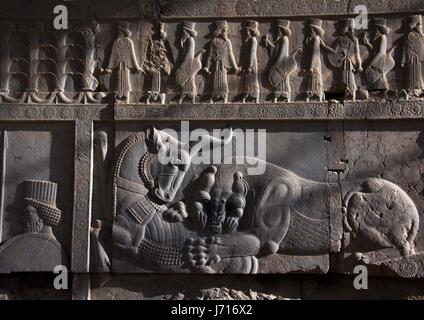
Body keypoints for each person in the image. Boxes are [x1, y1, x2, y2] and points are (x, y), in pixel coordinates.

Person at [203, 20, 241, 103]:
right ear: (219, 30)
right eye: (224, 30)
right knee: (214, 81)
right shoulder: (213, 41)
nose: (226, 32)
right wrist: (207, 66)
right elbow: (209, 55)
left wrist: (235, 67)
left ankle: (224, 97)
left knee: (223, 82)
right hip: (215, 66)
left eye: (226, 30)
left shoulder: (227, 42)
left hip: (223, 66)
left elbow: (231, 55)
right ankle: (212, 96)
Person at [264, 19, 300, 102]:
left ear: (281, 30)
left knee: (281, 77)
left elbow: (282, 53)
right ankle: (279, 95)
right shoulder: (281, 39)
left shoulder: (284, 39)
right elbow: (275, 50)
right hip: (280, 61)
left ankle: (284, 95)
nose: (275, 32)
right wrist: (268, 44)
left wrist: (276, 64)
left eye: (277, 30)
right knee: (280, 79)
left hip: (282, 62)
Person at [105, 21, 142, 103]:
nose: (118, 33)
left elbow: (132, 56)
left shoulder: (129, 42)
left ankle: (126, 96)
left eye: (119, 31)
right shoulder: (116, 42)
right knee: (117, 81)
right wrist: (108, 67)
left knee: (126, 81)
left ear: (122, 32)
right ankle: (118, 96)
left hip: (125, 66)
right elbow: (112, 55)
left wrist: (137, 67)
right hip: (118, 66)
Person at [175, 22, 203, 104]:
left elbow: (189, 56)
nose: (181, 33)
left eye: (183, 32)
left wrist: (183, 67)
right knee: (188, 80)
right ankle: (188, 98)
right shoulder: (188, 41)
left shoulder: (190, 41)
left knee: (188, 79)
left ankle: (190, 97)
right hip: (188, 63)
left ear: (188, 32)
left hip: (188, 64)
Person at [401, 15, 424, 99]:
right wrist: (402, 61)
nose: (421, 26)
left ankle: (419, 90)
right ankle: (410, 91)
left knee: (418, 75)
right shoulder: (407, 37)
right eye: (419, 24)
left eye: (420, 25)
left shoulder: (421, 37)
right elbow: (404, 49)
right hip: (410, 61)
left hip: (418, 61)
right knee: (410, 76)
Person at [241, 20, 260, 103]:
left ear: (251, 31)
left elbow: (252, 52)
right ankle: (246, 95)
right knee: (248, 79)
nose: (245, 32)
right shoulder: (249, 40)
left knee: (252, 79)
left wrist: (250, 65)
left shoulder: (253, 40)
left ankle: (255, 96)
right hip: (248, 62)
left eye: (247, 31)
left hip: (251, 63)